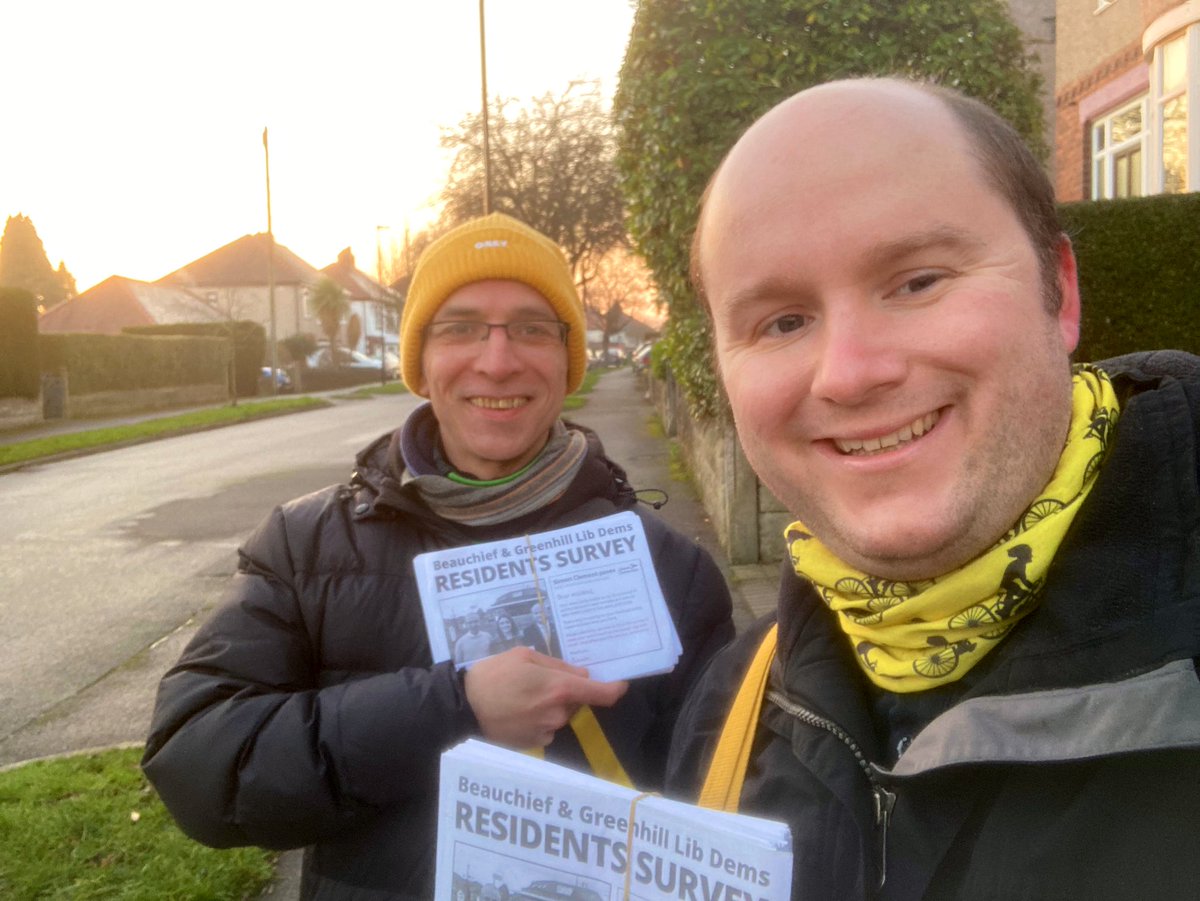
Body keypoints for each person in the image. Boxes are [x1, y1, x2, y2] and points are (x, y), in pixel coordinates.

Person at [668, 77, 1200, 899]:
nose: (848, 373)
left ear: (1059, 289)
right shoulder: (736, 702)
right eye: (781, 321)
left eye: (917, 281)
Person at [142, 212, 734, 900]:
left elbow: (723, 805)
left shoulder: (670, 569)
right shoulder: (304, 545)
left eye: (532, 327)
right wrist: (454, 707)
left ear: (568, 360)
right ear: (421, 361)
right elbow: (197, 762)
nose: (497, 359)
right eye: (460, 327)